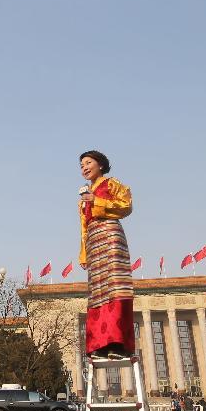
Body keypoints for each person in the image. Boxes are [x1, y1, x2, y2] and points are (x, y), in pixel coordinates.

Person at [77, 151, 135, 360]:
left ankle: (119, 343)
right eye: (81, 164)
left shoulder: (112, 184)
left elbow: (126, 206)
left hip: (110, 234)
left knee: (115, 287)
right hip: (94, 240)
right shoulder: (82, 198)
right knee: (98, 291)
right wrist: (84, 254)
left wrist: (98, 200)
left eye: (88, 162)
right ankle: (100, 343)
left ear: (100, 165)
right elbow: (83, 227)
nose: (84, 167)